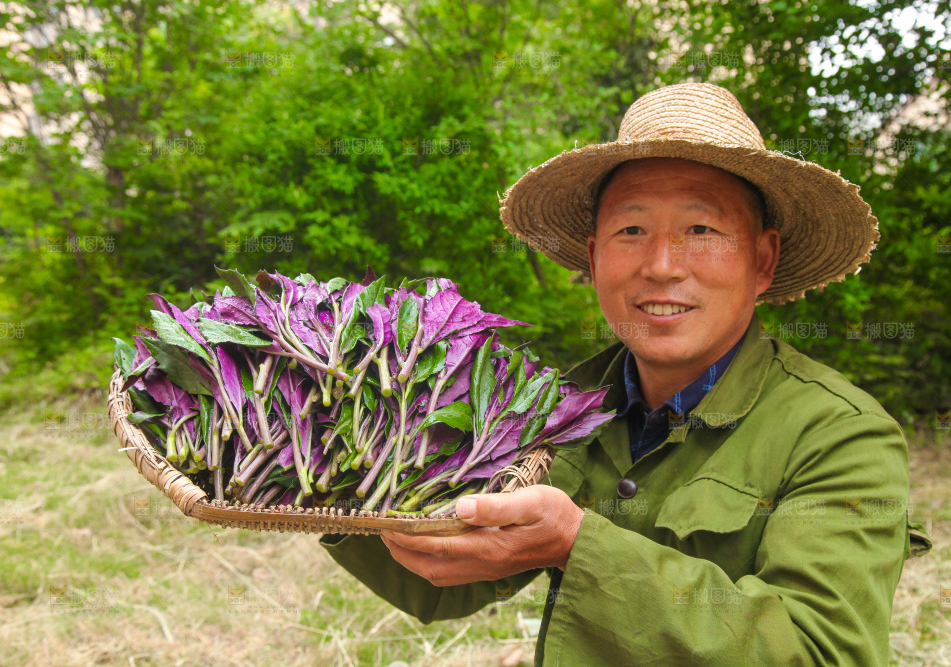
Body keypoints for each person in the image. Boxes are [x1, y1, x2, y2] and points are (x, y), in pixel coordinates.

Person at [319, 82, 932, 666]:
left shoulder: (841, 436)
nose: (662, 265)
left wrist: (575, 544)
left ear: (762, 259)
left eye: (702, 229)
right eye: (631, 230)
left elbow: (822, 652)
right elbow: (443, 583)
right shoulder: (553, 411)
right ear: (593, 257)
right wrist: (325, 454)